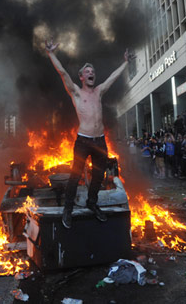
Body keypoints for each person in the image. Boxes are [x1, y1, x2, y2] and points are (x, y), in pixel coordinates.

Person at [45, 38, 134, 229]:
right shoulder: (76, 93)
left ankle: (92, 203)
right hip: (83, 141)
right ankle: (67, 209)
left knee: (98, 175)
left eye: (93, 71)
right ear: (81, 77)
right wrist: (51, 53)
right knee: (75, 176)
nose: (92, 73)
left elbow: (112, 77)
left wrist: (125, 63)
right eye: (88, 72)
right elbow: (62, 72)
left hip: (100, 141)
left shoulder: (99, 91)